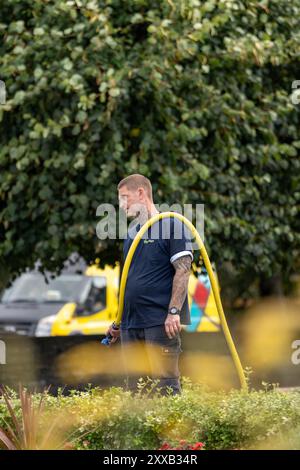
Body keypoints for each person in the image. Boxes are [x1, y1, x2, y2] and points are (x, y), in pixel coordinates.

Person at [106, 174, 193, 395]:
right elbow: (129, 279)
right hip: (130, 324)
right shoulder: (132, 233)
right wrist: (118, 321)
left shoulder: (171, 225)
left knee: (166, 389)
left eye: (125, 198)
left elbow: (183, 270)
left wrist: (174, 312)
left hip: (160, 322)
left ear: (141, 193)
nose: (122, 205)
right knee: (138, 393)